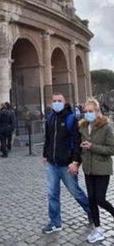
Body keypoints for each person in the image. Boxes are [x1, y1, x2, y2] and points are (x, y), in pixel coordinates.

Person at [42, 92, 91, 234]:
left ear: (64, 102)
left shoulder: (71, 119)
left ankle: (91, 211)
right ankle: (55, 222)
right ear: (51, 103)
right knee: (52, 194)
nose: (56, 103)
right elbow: (48, 139)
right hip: (52, 163)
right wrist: (46, 154)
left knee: (75, 191)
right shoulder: (50, 119)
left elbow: (77, 142)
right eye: (54, 101)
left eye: (59, 100)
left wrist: (75, 161)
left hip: (66, 164)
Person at [78, 98, 114, 244]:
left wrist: (92, 147)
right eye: (85, 111)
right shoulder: (82, 127)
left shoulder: (106, 127)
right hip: (88, 169)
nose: (88, 114)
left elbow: (112, 149)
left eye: (91, 111)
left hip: (102, 169)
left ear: (97, 112)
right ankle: (98, 229)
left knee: (100, 199)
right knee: (91, 199)